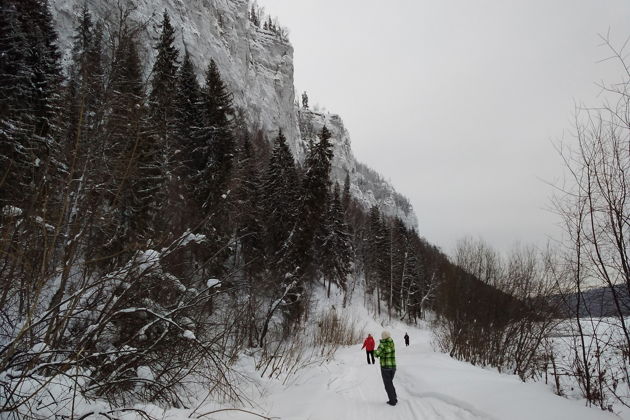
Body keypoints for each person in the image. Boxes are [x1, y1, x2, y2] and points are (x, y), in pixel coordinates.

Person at [374, 330, 397, 406]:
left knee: (388, 384)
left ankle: (392, 401)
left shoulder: (382, 344)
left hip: (385, 367)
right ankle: (394, 398)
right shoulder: (392, 343)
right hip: (393, 367)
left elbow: (377, 354)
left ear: (383, 337)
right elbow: (388, 351)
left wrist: (373, 351)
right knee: (390, 383)